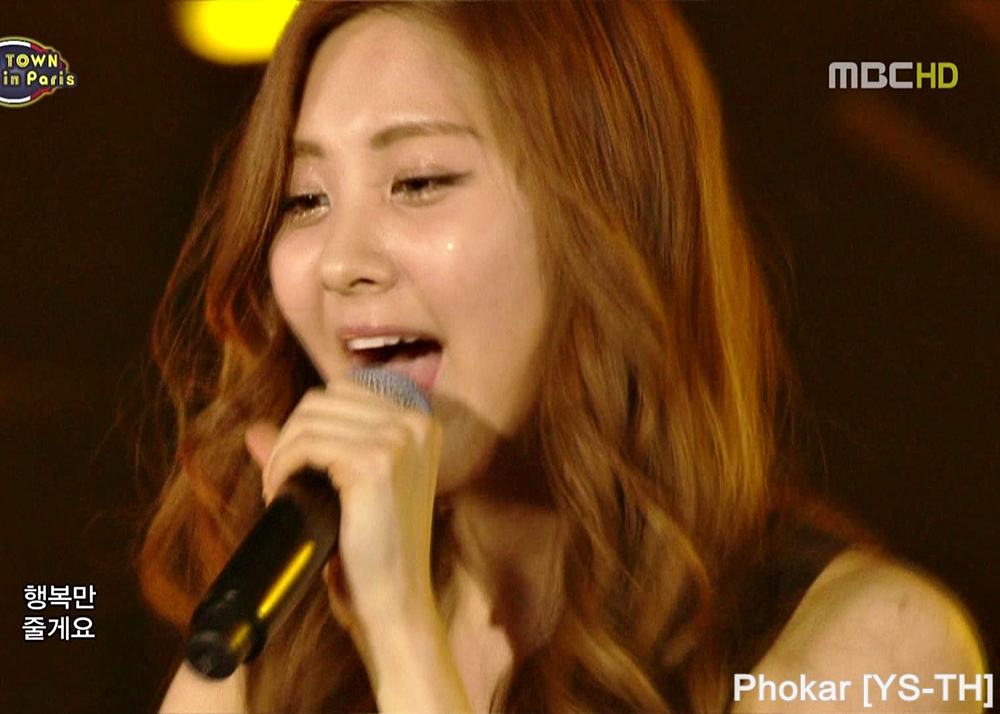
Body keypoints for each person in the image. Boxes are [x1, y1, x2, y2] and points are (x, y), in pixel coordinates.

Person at [140, 2, 987, 712]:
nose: (340, 261)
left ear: (607, 221)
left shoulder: (879, 651)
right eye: (304, 199)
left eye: (420, 181)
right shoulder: (284, 641)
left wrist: (401, 634)